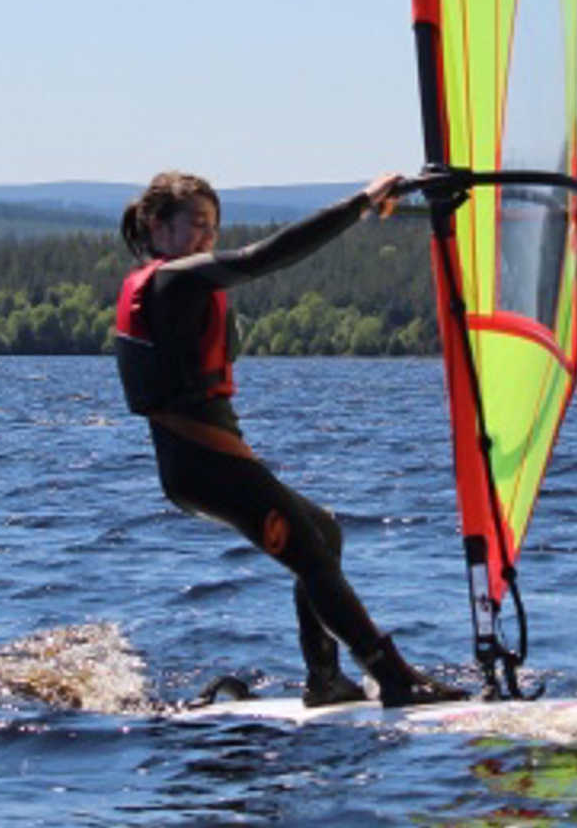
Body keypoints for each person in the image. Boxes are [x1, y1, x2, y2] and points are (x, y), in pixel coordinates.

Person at [114, 169, 463, 708]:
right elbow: (262, 258)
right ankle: (392, 676)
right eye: (196, 226)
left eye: (213, 227)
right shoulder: (173, 279)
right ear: (158, 228)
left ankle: (325, 679)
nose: (206, 239)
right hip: (208, 466)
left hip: (198, 467)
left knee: (323, 534)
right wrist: (360, 204)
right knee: (314, 559)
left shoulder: (167, 284)